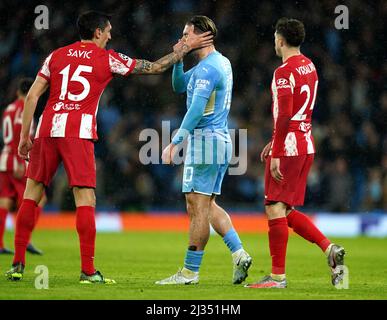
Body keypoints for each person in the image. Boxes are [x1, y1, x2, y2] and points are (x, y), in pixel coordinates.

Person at [5, 10, 213, 283]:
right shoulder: (108, 58)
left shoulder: (55, 55)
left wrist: (24, 137)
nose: (111, 35)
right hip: (77, 132)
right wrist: (183, 50)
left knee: (31, 194)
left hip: (46, 128)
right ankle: (88, 271)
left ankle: (17, 264)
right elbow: (153, 67)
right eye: (108, 30)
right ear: (98, 32)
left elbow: (32, 95)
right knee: (85, 199)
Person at [246, 18, 345, 289]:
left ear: (280, 40)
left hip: (288, 149)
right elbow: (298, 113)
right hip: (305, 144)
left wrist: (277, 150)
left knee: (273, 207)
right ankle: (330, 250)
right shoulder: (310, 65)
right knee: (285, 209)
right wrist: (275, 140)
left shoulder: (283, 72)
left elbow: (287, 112)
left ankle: (277, 277)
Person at [156, 16, 252, 285]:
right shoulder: (218, 63)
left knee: (196, 208)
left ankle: (189, 272)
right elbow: (179, 86)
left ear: (203, 36)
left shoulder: (208, 70)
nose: (182, 39)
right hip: (220, 141)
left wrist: (176, 142)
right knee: (208, 205)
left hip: (206, 142)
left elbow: (196, 109)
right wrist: (178, 59)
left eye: (187, 35)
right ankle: (239, 253)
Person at [0, 78, 45, 256]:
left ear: (18, 91)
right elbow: (20, 132)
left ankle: (1, 243)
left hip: (4, 160)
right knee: (37, 200)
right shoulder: (24, 109)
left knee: (4, 202)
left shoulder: (9, 108)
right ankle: (26, 239)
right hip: (17, 160)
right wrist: (20, 160)